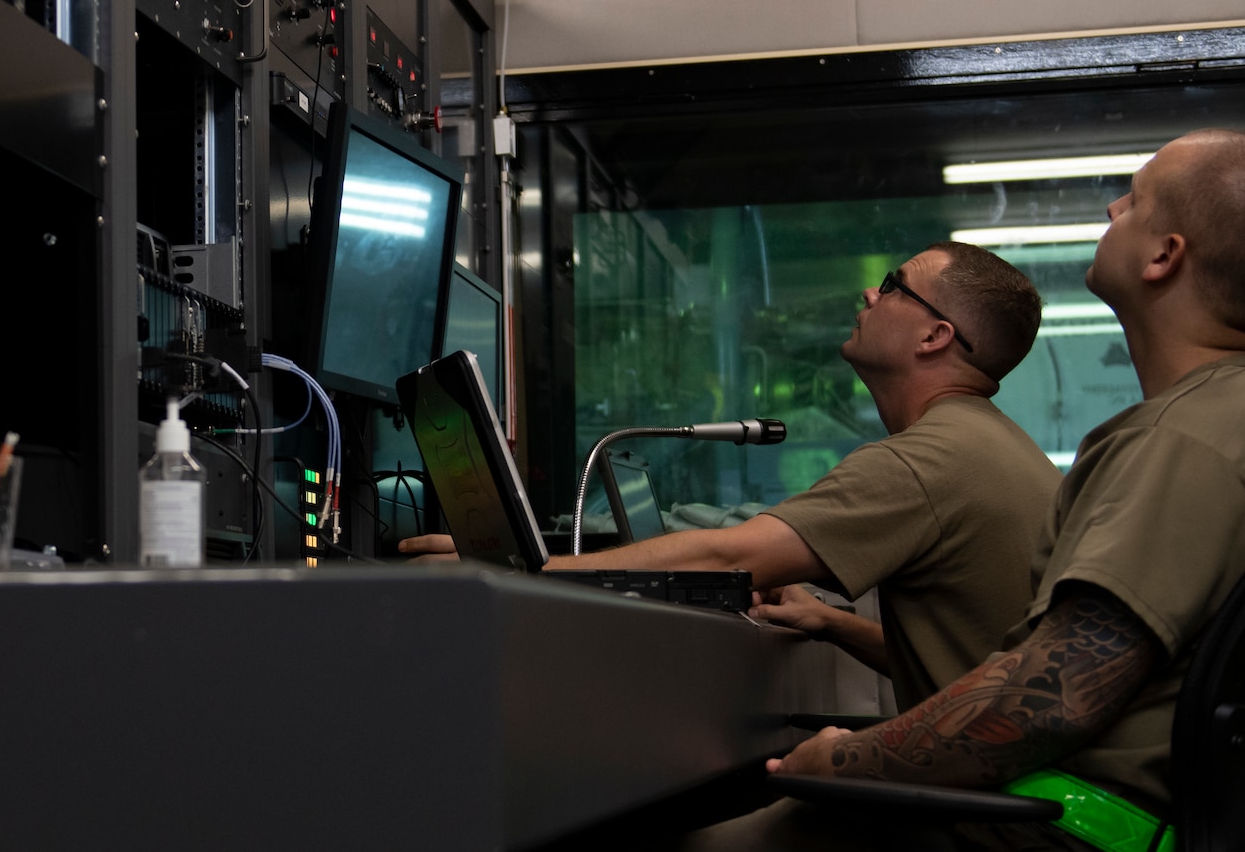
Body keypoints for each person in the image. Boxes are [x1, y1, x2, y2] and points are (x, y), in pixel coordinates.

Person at [713, 130, 1245, 852]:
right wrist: (843, 630)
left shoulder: (1192, 437)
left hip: (1061, 827)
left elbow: (1056, 696)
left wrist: (847, 760)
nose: (1112, 204)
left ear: (1165, 254)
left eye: (1132, 201)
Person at [402, 240, 1062, 714]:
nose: (870, 292)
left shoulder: (928, 460)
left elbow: (733, 555)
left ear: (935, 336)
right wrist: (831, 623)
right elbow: (974, 667)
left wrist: (524, 570)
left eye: (893, 284)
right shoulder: (991, 443)